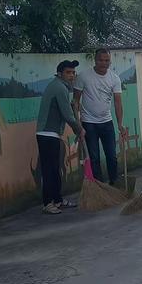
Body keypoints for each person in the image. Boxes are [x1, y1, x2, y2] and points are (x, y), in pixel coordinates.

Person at [36, 60, 85, 214]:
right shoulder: (59, 88)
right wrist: (79, 130)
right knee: (49, 170)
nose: (71, 76)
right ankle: (47, 203)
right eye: (68, 72)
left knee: (55, 169)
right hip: (47, 134)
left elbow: (66, 110)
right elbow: (68, 116)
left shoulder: (59, 86)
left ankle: (57, 200)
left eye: (73, 72)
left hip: (52, 134)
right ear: (60, 74)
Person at [73, 49, 126, 185]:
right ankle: (99, 186)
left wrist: (120, 124)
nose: (103, 63)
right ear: (95, 60)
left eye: (107, 60)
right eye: (100, 60)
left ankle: (114, 183)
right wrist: (78, 124)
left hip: (107, 122)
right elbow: (75, 102)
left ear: (110, 61)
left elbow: (118, 103)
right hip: (88, 122)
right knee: (94, 157)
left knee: (112, 156)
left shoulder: (114, 78)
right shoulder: (83, 76)